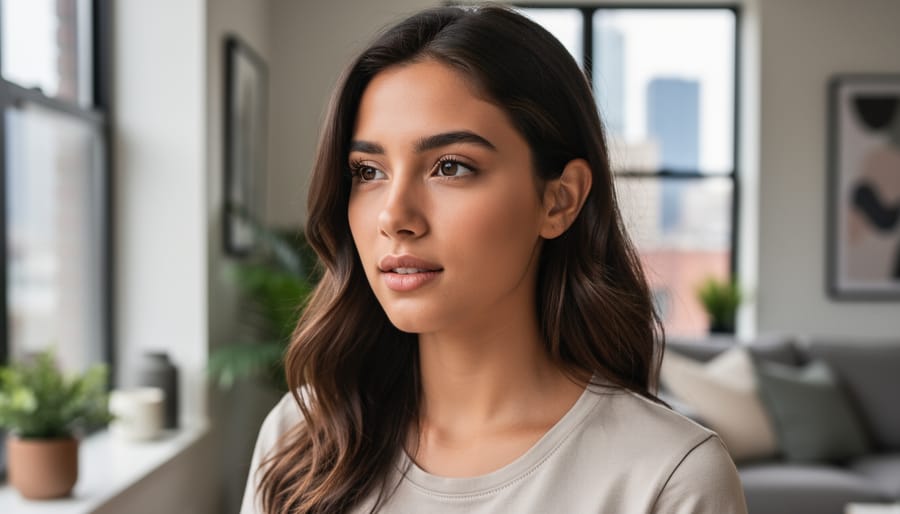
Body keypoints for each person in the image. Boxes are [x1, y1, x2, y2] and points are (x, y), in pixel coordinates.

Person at [241, 5, 747, 513]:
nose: (394, 217)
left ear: (560, 200)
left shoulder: (668, 476)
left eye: (450, 167)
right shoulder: (301, 440)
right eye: (368, 172)